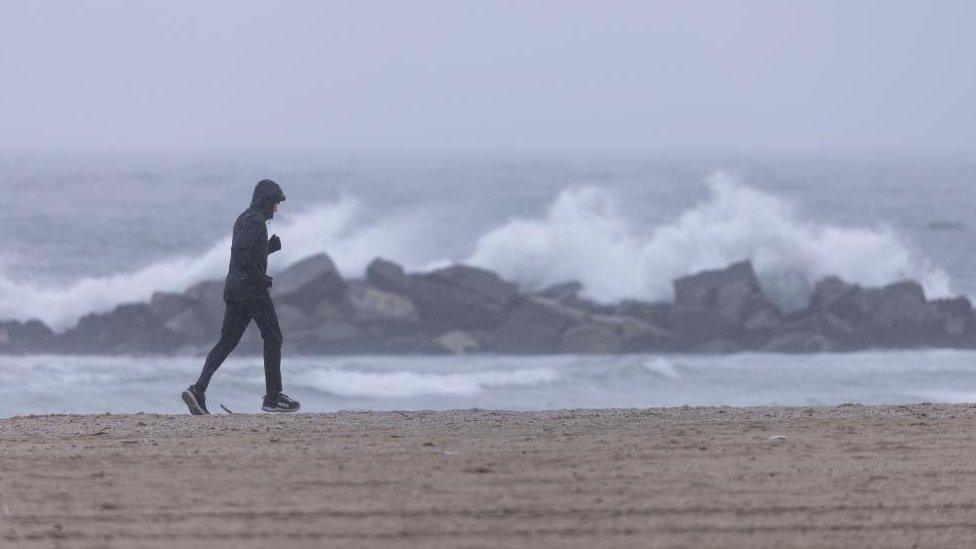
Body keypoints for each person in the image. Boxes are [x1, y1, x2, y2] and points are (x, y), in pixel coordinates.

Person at [182, 179, 300, 414]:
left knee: (227, 342)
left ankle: (198, 390)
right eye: (275, 203)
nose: (276, 209)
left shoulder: (244, 218)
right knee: (273, 337)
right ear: (266, 201)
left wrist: (268, 249)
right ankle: (273, 397)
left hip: (236, 291)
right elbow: (240, 251)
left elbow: (244, 250)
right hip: (251, 292)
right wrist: (258, 277)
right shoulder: (255, 220)